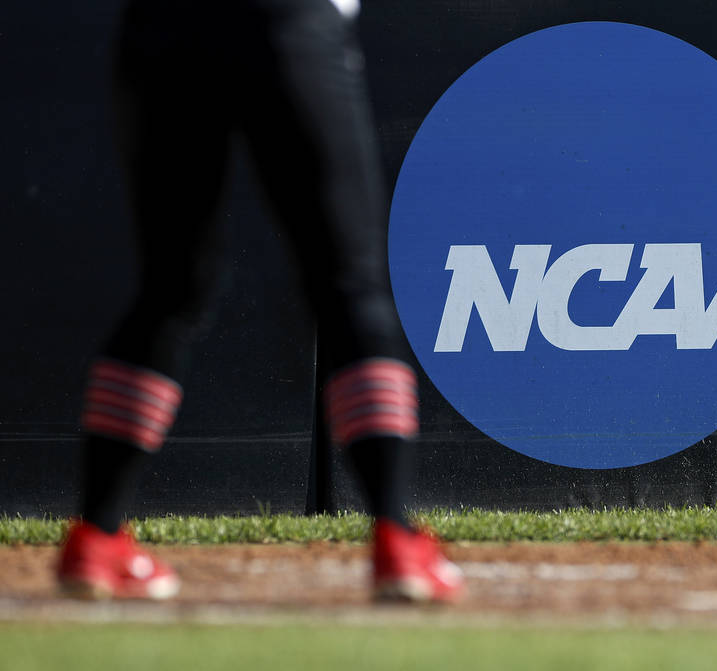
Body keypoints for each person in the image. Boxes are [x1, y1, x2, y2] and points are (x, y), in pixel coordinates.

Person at [55, 0, 463, 603]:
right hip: (286, 21)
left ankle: (95, 536)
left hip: (163, 30)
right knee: (350, 286)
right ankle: (398, 538)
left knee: (169, 290)